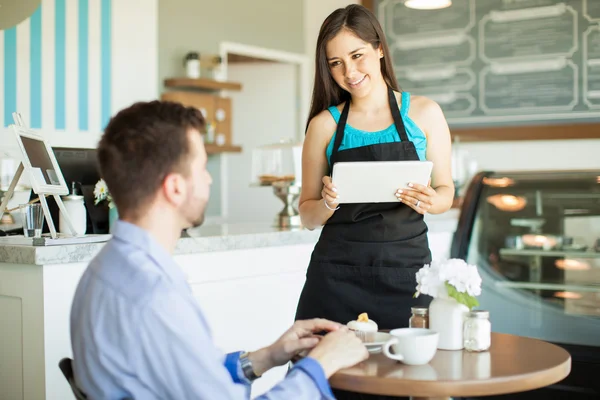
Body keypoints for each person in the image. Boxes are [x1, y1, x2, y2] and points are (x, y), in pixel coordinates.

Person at [70, 100, 369, 400]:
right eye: (202, 168)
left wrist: (267, 356)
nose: (209, 178)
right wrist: (320, 365)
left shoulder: (104, 269)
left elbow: (187, 379)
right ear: (174, 188)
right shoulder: (154, 295)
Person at [295, 5, 454, 398]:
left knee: (410, 384)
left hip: (406, 275)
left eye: (357, 56)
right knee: (329, 385)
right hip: (335, 277)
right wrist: (328, 203)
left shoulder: (424, 114)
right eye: (335, 63)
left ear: (379, 49)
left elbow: (447, 192)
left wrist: (430, 200)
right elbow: (307, 214)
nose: (349, 72)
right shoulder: (325, 125)